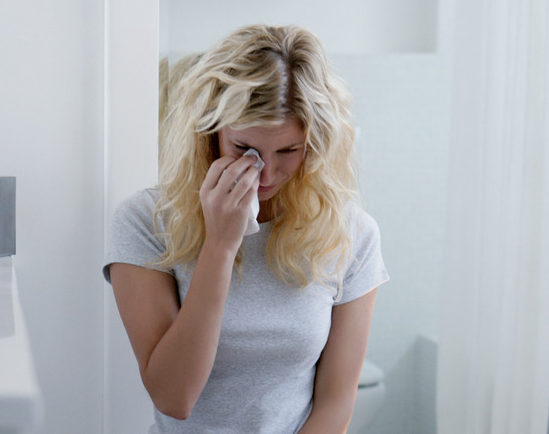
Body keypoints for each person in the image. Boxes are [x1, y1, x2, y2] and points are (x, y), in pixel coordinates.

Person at [103, 24, 389, 433]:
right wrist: (219, 245)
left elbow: (335, 407)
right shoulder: (145, 221)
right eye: (245, 149)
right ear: (210, 133)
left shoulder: (350, 233)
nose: (267, 172)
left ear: (315, 143)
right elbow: (173, 396)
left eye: (289, 150)